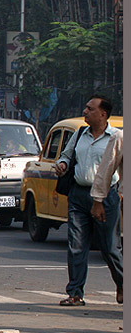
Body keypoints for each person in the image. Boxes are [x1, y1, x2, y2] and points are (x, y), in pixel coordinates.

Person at [54, 96, 123, 306]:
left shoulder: (116, 137)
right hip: (79, 195)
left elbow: (110, 171)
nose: (85, 111)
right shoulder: (80, 134)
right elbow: (65, 155)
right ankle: (75, 293)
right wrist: (62, 164)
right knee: (76, 245)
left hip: (106, 196)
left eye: (90, 109)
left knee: (110, 247)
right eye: (85, 107)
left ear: (103, 114)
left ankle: (122, 284)